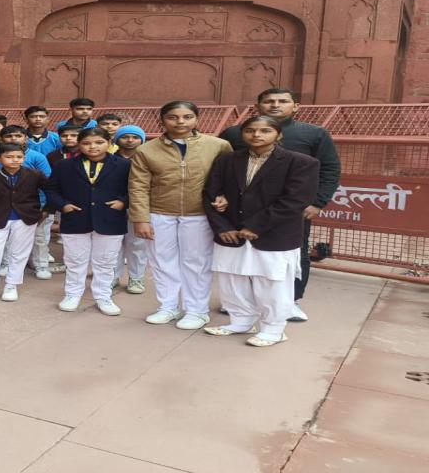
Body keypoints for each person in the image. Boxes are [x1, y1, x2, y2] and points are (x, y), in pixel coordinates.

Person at [219, 88, 341, 322]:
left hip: (291, 208)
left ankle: (291, 301)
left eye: (283, 101)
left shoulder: (314, 134)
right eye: (269, 101)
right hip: (242, 206)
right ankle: (243, 302)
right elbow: (219, 167)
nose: (275, 105)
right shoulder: (235, 133)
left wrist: (317, 202)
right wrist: (221, 194)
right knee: (244, 252)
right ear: (257, 106)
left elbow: (330, 169)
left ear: (295, 106)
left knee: (293, 253)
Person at [203, 115, 319, 346]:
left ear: (279, 134)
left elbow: (295, 201)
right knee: (232, 279)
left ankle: (274, 329)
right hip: (232, 233)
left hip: (275, 233)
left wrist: (256, 226)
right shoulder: (227, 160)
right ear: (242, 134)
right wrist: (223, 227)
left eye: (265, 130)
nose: (256, 135)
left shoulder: (300, 162)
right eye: (250, 130)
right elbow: (210, 194)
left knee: (272, 283)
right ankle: (240, 321)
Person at [130, 101, 232, 329]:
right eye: (173, 117)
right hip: (159, 212)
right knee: (162, 261)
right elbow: (138, 186)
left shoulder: (218, 145)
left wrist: (225, 196)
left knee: (196, 262)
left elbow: (229, 177)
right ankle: (168, 306)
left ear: (197, 119)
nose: (180, 122)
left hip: (199, 213)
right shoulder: (146, 150)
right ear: (162, 120)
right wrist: (141, 218)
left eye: (187, 117)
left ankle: (197, 311)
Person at [46, 128, 130, 315]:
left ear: (109, 142)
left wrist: (123, 202)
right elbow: (51, 189)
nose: (93, 147)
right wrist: (63, 205)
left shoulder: (124, 165)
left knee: (106, 261)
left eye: (99, 142)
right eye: (86, 143)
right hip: (75, 218)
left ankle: (103, 296)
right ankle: (72, 294)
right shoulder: (64, 165)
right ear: (79, 144)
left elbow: (135, 188)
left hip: (110, 218)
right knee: (75, 260)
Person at [0, 144, 48, 303]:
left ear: (24, 158)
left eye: (19, 157)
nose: (15, 160)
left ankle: (11, 285)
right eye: (9, 157)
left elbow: (51, 190)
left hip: (25, 218)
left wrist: (47, 210)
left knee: (19, 253)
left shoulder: (34, 174)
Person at [0, 125, 56, 280]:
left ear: (26, 138)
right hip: (6, 204)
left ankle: (41, 265)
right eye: (9, 136)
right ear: (1, 139)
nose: (13, 138)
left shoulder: (37, 157)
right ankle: (6, 263)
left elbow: (48, 183)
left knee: (38, 236)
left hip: (35, 204)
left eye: (18, 135)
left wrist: (45, 207)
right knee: (7, 236)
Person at [112, 125, 149, 294]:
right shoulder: (109, 159)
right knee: (113, 244)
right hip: (112, 206)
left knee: (137, 244)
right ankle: (112, 276)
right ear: (116, 140)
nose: (130, 140)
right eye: (125, 137)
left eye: (135, 137)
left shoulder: (146, 158)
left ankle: (136, 278)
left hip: (139, 206)